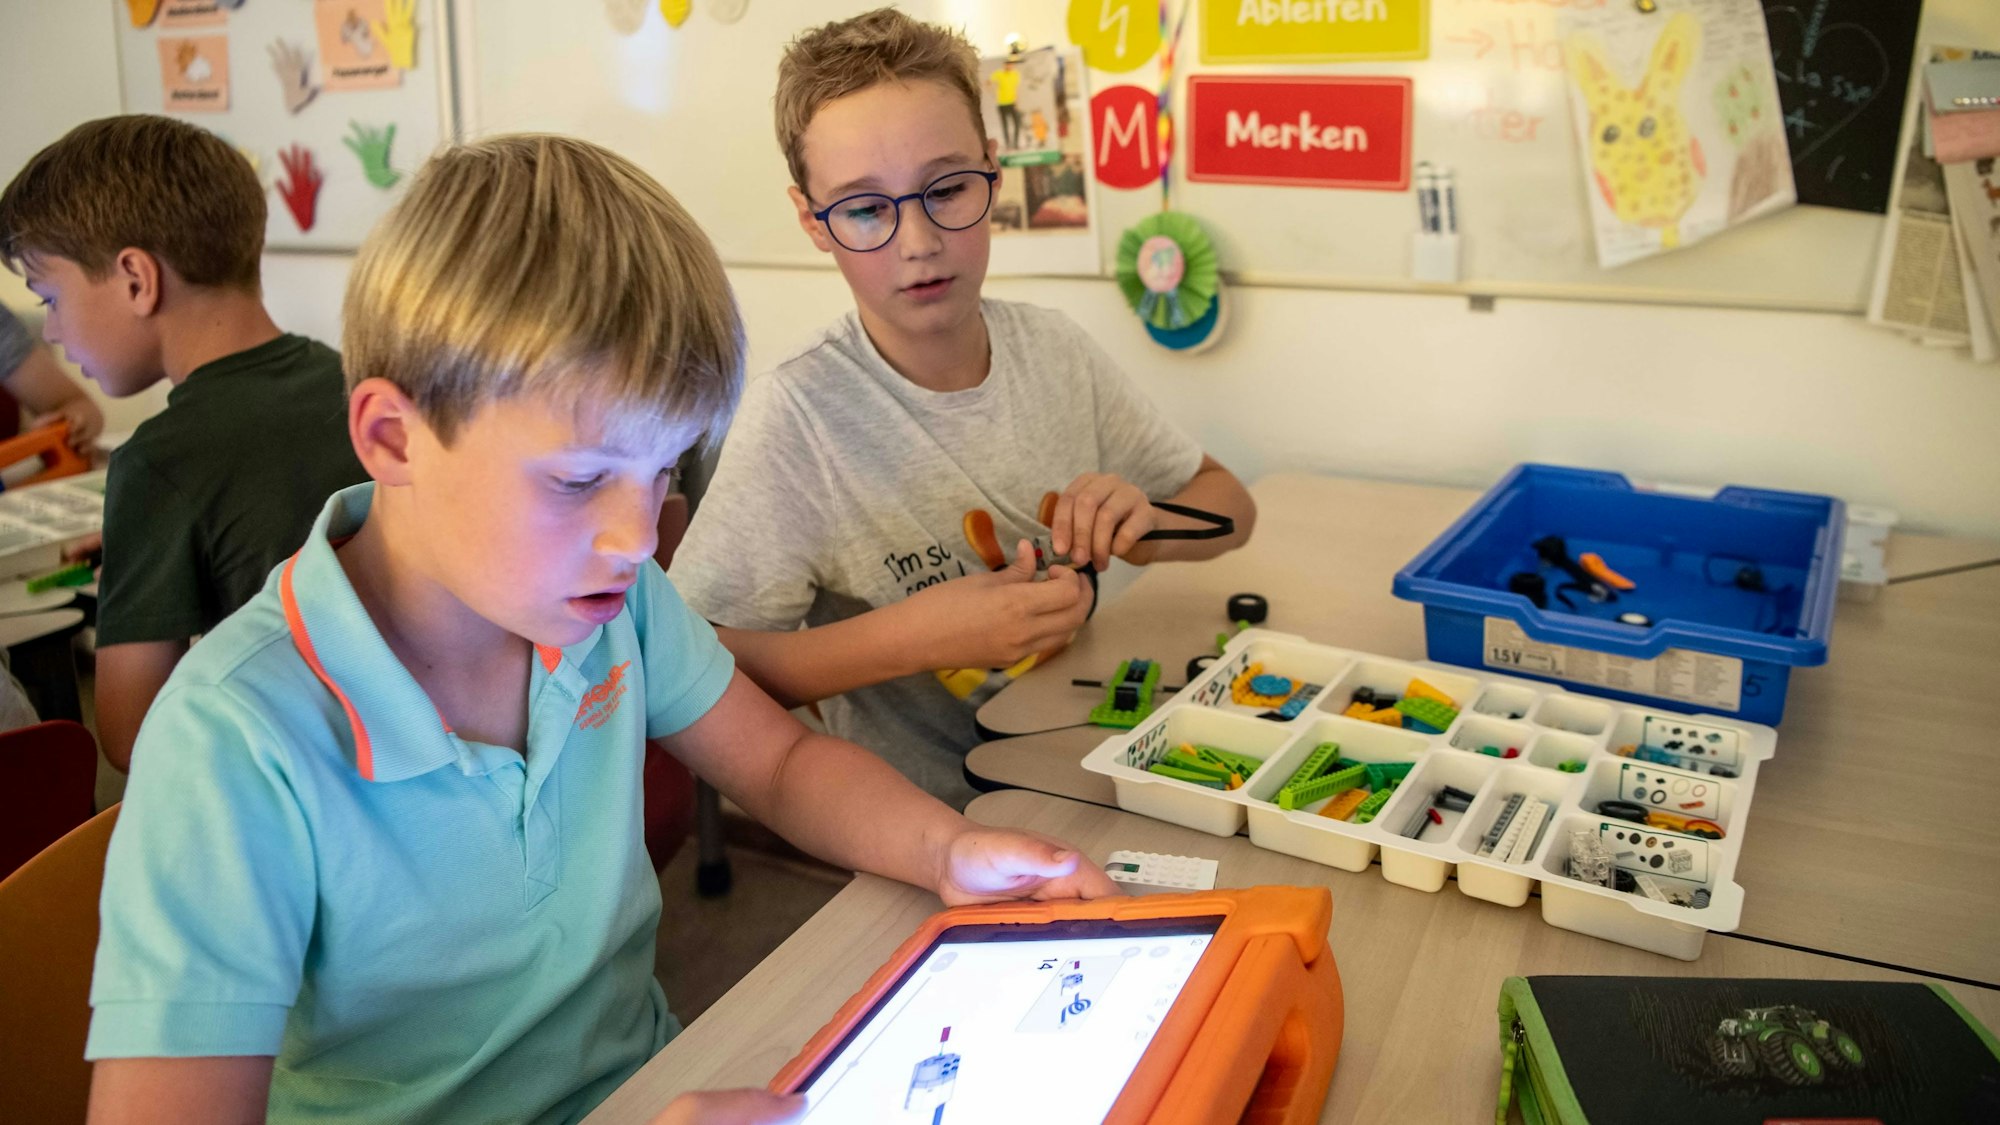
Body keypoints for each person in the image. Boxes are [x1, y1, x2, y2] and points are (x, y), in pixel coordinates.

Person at [81, 132, 1116, 1124]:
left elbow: (782, 767)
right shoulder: (232, 744)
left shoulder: (603, 602)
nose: (637, 535)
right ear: (393, 437)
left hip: (652, 1080)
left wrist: (947, 850)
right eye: (579, 480)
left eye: (662, 471)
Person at [669, 8, 1257, 806]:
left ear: (991, 169)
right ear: (813, 221)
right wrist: (916, 637)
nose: (917, 241)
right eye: (867, 209)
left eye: (945, 188)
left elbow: (1230, 505)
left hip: (1081, 772)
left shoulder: (1056, 354)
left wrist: (1145, 523)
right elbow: (683, 662)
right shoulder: (799, 418)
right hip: (924, 815)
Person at [0, 114, 367, 772]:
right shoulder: (360, 387)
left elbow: (133, 737)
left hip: (275, 798)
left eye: (50, 297)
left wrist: (130, 584)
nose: (52, 332)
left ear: (137, 279)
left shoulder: (155, 464)